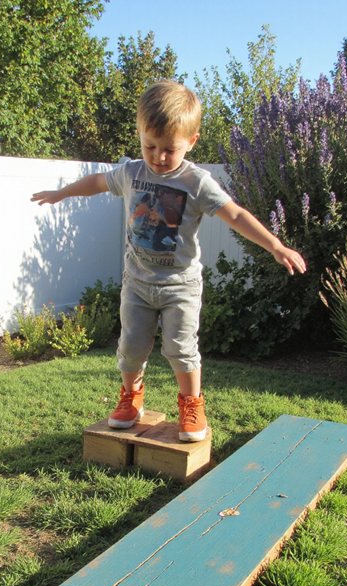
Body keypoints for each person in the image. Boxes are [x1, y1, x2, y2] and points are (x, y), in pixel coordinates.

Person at [31, 81, 306, 442]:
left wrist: (275, 245)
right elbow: (98, 181)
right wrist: (61, 193)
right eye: (150, 146)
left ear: (191, 142)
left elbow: (235, 215)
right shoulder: (131, 173)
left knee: (179, 347)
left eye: (169, 150)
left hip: (180, 286)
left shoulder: (197, 182)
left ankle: (192, 404)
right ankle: (131, 397)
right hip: (137, 283)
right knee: (131, 346)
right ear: (140, 134)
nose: (159, 157)